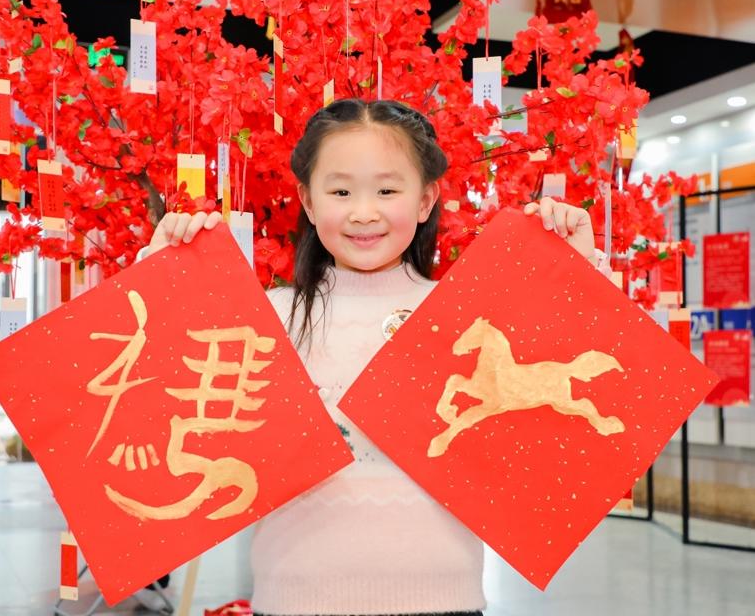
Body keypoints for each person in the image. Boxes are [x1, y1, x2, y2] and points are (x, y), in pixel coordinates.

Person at [142, 99, 607, 616]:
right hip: (294, 601)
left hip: (445, 601)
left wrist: (580, 264)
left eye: (387, 190)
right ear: (309, 201)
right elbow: (160, 397)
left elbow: (576, 370)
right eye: (341, 191)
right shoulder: (269, 317)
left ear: (426, 199)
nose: (364, 212)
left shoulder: (465, 315)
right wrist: (157, 273)